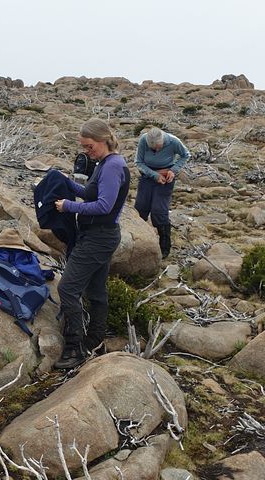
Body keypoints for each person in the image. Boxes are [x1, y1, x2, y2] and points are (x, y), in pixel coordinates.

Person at [53, 119, 131, 369]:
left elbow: (104, 205)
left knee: (67, 289)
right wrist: (65, 182)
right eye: (84, 147)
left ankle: (74, 348)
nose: (87, 152)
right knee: (96, 291)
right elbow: (89, 193)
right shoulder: (105, 163)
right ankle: (95, 340)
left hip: (99, 237)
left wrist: (68, 206)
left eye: (89, 146)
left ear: (103, 140)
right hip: (99, 235)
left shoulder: (112, 166)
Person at [134, 127, 190, 259]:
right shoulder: (143, 140)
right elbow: (139, 162)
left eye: (159, 147)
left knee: (159, 211)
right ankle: (138, 242)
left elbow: (186, 155)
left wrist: (173, 170)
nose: (157, 150)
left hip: (166, 178)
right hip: (147, 176)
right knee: (140, 209)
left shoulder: (173, 141)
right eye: (153, 149)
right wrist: (154, 175)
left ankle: (164, 247)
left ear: (163, 141)